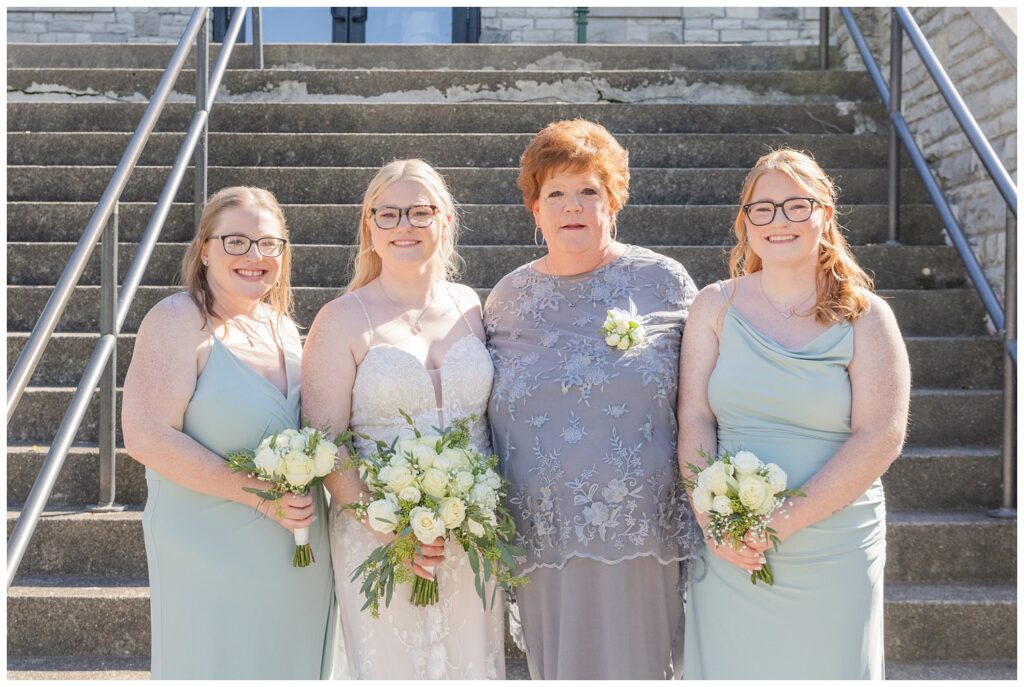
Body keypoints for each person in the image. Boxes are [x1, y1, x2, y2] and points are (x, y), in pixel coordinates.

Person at [679, 148, 911, 679]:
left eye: (795, 206)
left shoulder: (867, 316)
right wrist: (711, 519)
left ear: (824, 214)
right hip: (732, 541)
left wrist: (781, 522)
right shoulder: (714, 306)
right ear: (745, 222)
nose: (778, 221)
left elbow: (881, 435)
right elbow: (695, 417)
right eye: (762, 208)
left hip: (834, 541)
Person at [484, 119, 702, 679]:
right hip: (542, 533)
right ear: (536, 210)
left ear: (614, 202)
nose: (572, 206)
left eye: (589, 191)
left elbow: (704, 395)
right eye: (555, 192)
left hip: (642, 530)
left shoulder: (663, 281)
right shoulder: (507, 298)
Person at [301, 159, 505, 679]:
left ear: (446, 221)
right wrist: (387, 527)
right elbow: (326, 443)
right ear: (368, 226)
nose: (403, 226)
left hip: (470, 536)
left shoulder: (472, 307)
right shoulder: (342, 319)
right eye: (387, 214)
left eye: (419, 212)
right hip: (377, 539)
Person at [121, 186, 335, 679]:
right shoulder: (179, 320)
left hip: (298, 551)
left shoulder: (284, 327)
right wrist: (263, 496)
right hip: (209, 549)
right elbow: (145, 435)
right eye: (235, 242)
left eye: (269, 244)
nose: (254, 257)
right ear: (205, 249)